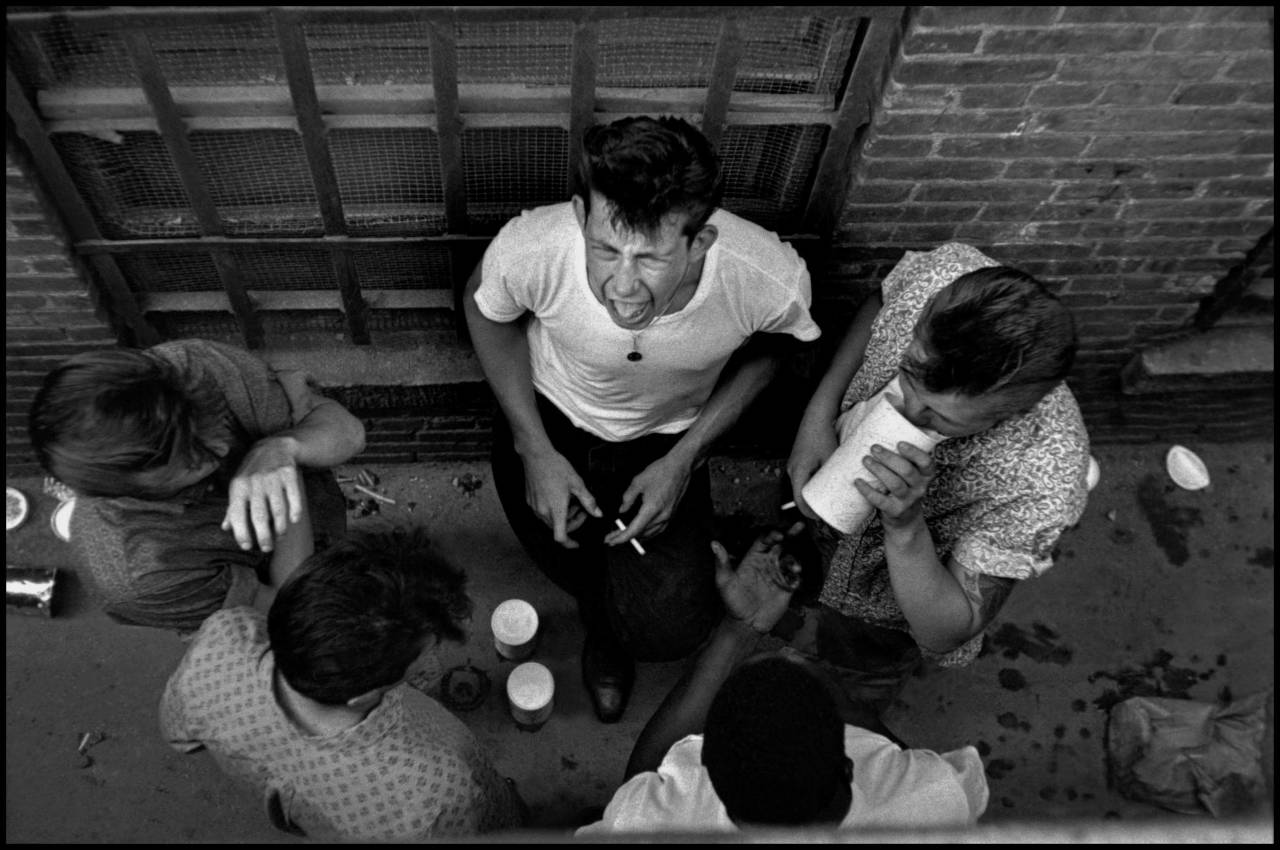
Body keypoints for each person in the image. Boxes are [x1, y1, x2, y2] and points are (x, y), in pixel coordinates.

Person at [464, 115, 821, 722]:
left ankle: (619, 623)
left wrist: (686, 459)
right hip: (549, 421)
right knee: (564, 551)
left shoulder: (766, 276)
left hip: (668, 440)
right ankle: (600, 621)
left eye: (651, 258)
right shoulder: (532, 245)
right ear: (580, 217)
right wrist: (534, 448)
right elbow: (485, 310)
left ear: (700, 242)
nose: (622, 287)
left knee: (670, 629)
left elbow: (780, 348)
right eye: (606, 250)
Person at [785, 242, 1091, 713]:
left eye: (939, 417)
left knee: (845, 688)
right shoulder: (944, 274)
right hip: (816, 524)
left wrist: (905, 527)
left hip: (879, 612)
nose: (904, 409)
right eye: (908, 374)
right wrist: (818, 414)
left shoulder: (1043, 481)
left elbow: (949, 629)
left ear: (1011, 412)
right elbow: (881, 300)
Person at [577, 529, 988, 834]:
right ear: (847, 766)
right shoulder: (930, 801)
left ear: (713, 781)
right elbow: (932, 777)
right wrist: (837, 694)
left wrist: (738, 632)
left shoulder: (656, 822)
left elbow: (638, 786)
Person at [159, 527, 525, 841]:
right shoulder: (436, 787)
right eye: (426, 649)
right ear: (365, 695)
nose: (435, 650)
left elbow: (179, 733)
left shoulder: (222, 639)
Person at [27, 338, 365, 631]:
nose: (221, 447)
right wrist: (283, 483)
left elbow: (349, 434)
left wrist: (281, 448)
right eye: (193, 458)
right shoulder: (141, 576)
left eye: (211, 423)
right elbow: (286, 604)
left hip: (320, 529)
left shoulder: (192, 367)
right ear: (127, 488)